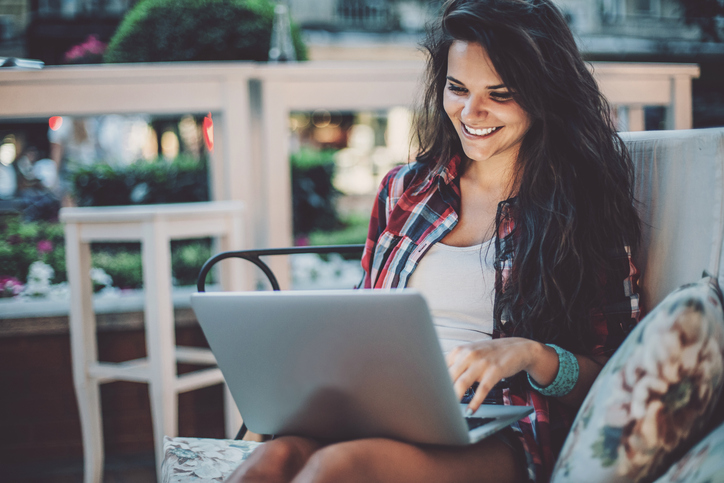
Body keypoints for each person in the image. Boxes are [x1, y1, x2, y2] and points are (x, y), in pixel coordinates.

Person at [227, 0, 641, 481]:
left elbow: (616, 375)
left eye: (500, 93)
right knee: (269, 460)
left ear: (543, 95)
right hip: (380, 408)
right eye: (457, 88)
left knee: (336, 469)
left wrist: (530, 354)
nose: (471, 112)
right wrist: (290, 393)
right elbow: (364, 323)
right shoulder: (404, 190)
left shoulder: (582, 209)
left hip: (500, 428)